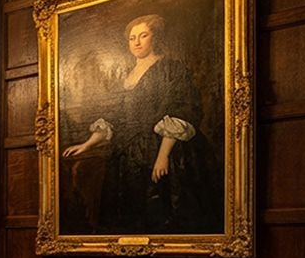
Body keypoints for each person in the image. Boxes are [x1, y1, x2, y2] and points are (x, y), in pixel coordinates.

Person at [61, 14, 222, 234]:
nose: (136, 42)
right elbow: (114, 118)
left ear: (155, 38)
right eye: (132, 38)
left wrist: (163, 155)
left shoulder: (171, 69)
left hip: (165, 150)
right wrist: (87, 144)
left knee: (163, 213)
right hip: (127, 158)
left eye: (143, 35)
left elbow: (181, 109)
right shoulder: (124, 76)